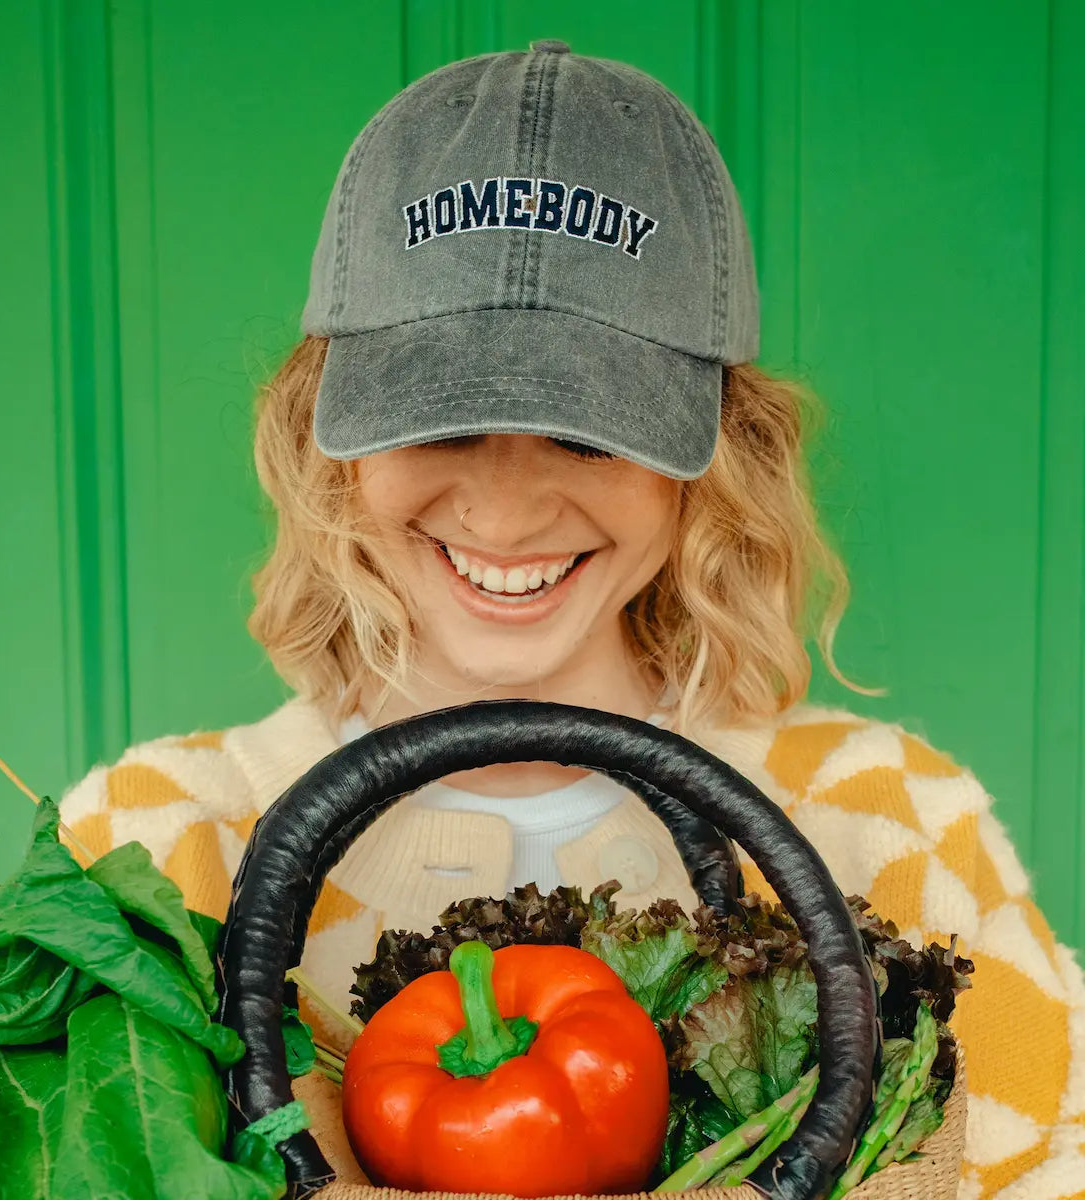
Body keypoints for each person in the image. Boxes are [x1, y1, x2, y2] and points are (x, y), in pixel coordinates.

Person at [60, 41, 1085, 1197]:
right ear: (321, 439)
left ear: (716, 456)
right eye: (439, 426)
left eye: (591, 437)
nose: (504, 509)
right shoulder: (165, 844)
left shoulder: (885, 823)